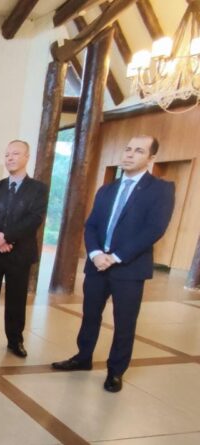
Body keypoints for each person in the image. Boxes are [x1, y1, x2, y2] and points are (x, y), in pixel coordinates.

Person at [52, 135, 174, 393]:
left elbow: (154, 229)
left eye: (138, 151)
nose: (129, 154)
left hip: (129, 268)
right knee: (90, 315)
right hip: (97, 265)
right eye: (128, 148)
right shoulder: (107, 189)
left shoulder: (160, 190)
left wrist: (117, 256)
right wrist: (96, 253)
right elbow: (92, 226)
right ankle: (83, 357)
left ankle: (115, 371)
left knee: (124, 322)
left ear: (151, 158)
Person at [0, 140, 47, 358]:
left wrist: (7, 237)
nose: (10, 158)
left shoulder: (38, 189)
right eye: (7, 154)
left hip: (20, 252)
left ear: (27, 157)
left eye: (15, 154)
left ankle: (15, 340)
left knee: (16, 298)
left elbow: (34, 219)